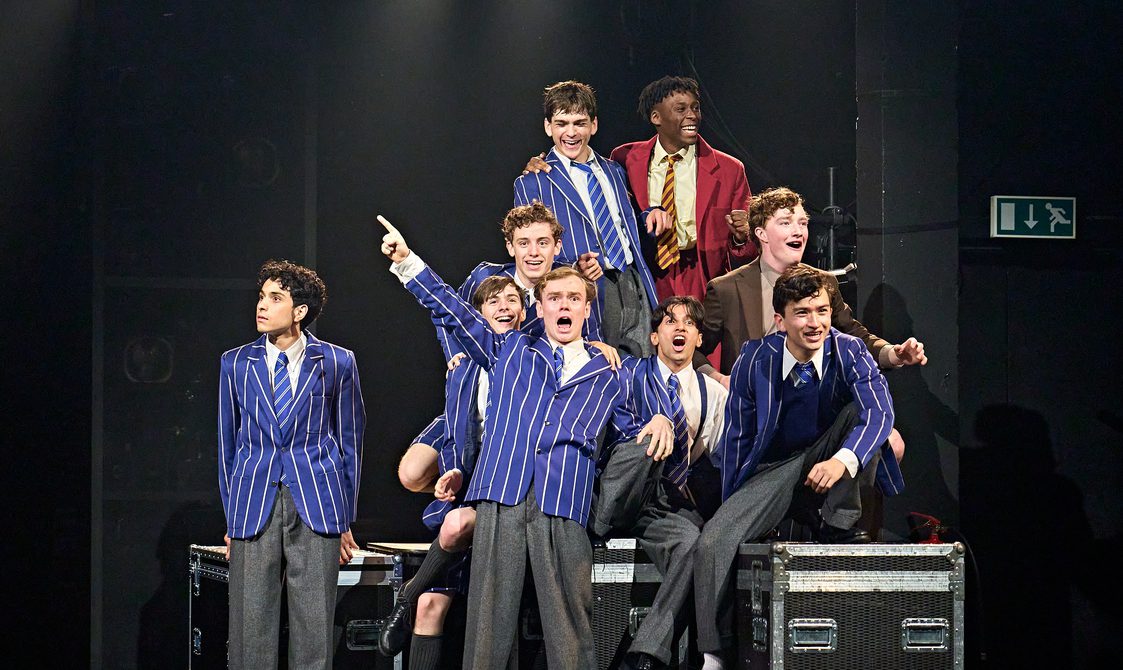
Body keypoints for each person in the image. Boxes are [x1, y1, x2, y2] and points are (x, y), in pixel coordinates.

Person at [378, 214, 673, 670]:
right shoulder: (511, 351)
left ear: (587, 310)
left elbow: (632, 431)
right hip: (503, 496)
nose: (564, 305)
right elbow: (452, 311)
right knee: (489, 630)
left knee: (570, 631)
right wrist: (407, 263)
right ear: (539, 308)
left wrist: (663, 419)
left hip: (564, 505)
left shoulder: (609, 375)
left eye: (574, 298)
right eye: (554, 297)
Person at [693, 265, 904, 669]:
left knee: (860, 415)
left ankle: (839, 523)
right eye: (803, 312)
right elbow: (738, 437)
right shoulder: (756, 358)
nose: (815, 323)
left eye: (822, 311)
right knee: (712, 543)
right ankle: (712, 654)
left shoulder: (849, 350)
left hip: (828, 455)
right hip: (772, 468)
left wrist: (842, 461)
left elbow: (880, 413)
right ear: (781, 319)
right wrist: (736, 506)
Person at [218, 259, 365, 670]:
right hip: (253, 502)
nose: (262, 306)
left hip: (317, 499)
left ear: (299, 311)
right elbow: (227, 444)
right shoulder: (235, 363)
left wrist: (345, 516)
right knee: (250, 630)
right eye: (262, 296)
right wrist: (232, 515)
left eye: (275, 298)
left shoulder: (337, 362)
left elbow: (351, 441)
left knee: (314, 628)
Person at [380, 275, 527, 669]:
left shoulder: (528, 358)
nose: (503, 307)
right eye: (493, 302)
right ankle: (416, 598)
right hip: (467, 488)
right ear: (479, 315)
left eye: (512, 300)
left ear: (524, 312)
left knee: (456, 527)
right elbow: (456, 435)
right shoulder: (461, 371)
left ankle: (406, 595)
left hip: (505, 497)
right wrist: (452, 471)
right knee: (430, 606)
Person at [598, 296, 727, 670]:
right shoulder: (625, 374)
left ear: (699, 338)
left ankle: (647, 654)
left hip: (663, 506)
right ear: (655, 336)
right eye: (670, 322)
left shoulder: (712, 394)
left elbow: (720, 459)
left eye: (689, 324)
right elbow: (608, 428)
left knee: (692, 545)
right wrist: (648, 427)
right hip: (622, 496)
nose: (680, 329)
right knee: (647, 439)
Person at [697, 186, 926, 379]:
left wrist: (894, 354)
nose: (798, 231)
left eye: (803, 223)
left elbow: (855, 337)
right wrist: (718, 380)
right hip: (754, 410)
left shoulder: (824, 282)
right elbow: (693, 348)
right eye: (786, 223)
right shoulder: (726, 289)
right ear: (762, 234)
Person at [514, 80, 659, 357]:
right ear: (548, 127)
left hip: (632, 281)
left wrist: (648, 217)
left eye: (579, 123)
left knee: (641, 372)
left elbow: (620, 225)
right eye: (561, 123)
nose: (570, 132)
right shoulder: (534, 182)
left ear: (593, 125)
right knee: (599, 372)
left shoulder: (614, 171)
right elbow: (530, 254)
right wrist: (572, 270)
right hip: (586, 288)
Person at [433, 201, 603, 361]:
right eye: (524, 243)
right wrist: (456, 354)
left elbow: (590, 340)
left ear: (557, 246)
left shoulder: (571, 286)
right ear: (510, 247)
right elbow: (445, 312)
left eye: (542, 243)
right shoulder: (483, 278)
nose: (533, 252)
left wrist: (598, 348)